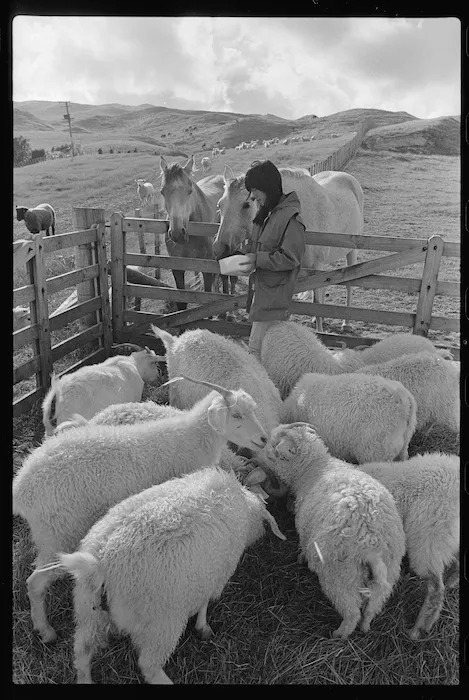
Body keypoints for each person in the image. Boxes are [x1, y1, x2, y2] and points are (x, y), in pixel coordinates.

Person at [235, 160, 306, 361]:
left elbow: (291, 258)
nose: (252, 196)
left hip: (275, 296)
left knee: (256, 350)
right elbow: (262, 246)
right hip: (263, 292)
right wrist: (243, 254)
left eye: (255, 190)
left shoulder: (291, 218)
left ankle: (259, 391)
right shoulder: (268, 214)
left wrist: (257, 259)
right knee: (261, 351)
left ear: (267, 186)